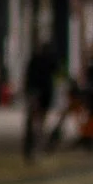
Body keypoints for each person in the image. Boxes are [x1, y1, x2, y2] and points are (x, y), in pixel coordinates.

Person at [21, 33, 59, 161]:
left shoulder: (35, 60)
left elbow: (28, 76)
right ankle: (36, 143)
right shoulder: (49, 61)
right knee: (40, 119)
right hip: (43, 92)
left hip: (35, 92)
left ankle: (33, 143)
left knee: (34, 119)